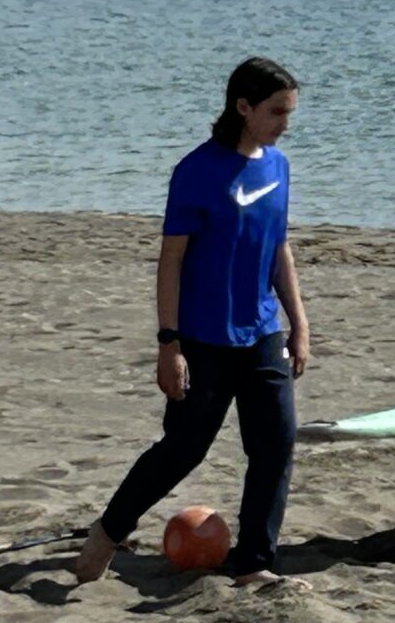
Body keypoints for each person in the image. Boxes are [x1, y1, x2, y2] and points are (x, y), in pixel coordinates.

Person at [74, 56, 310, 589]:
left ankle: (254, 562)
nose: (285, 124)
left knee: (276, 444)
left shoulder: (278, 166)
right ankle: (107, 534)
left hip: (263, 331)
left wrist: (299, 322)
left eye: (290, 112)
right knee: (183, 450)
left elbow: (280, 249)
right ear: (243, 106)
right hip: (203, 338)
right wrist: (168, 343)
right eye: (276, 111)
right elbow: (171, 260)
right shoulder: (196, 171)